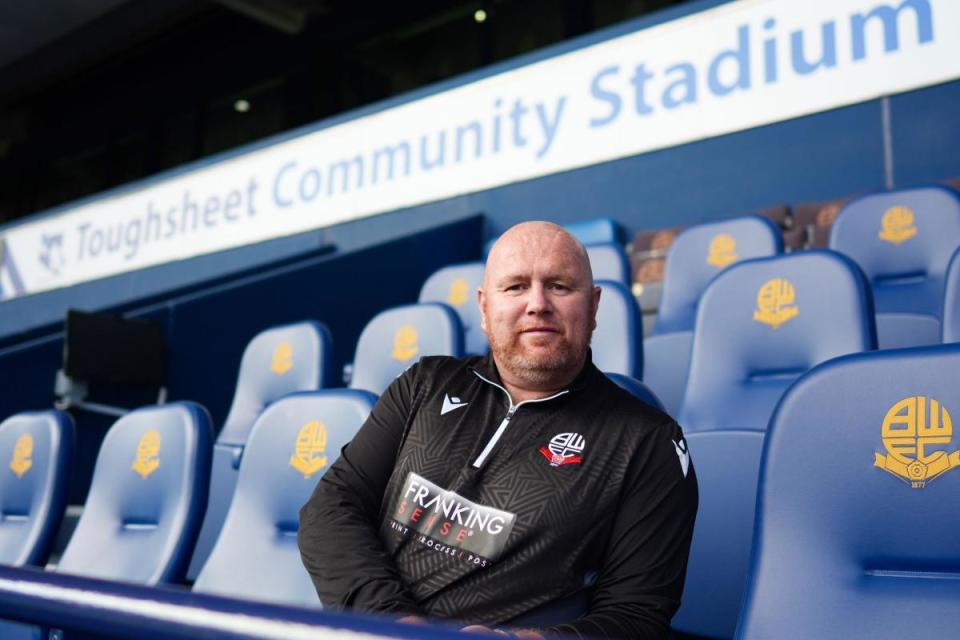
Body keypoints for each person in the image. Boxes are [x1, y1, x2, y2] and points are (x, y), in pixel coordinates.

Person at [299, 221, 698, 639]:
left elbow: (637, 616)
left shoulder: (647, 441)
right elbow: (331, 506)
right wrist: (396, 621)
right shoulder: (424, 384)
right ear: (485, 308)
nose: (538, 304)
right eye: (516, 287)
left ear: (594, 307)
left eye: (560, 286)